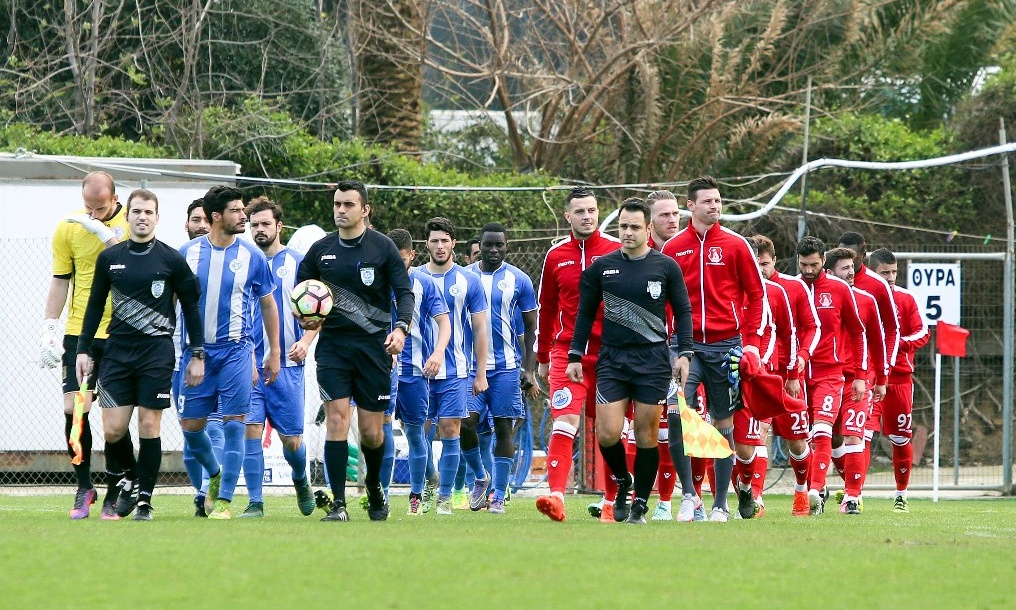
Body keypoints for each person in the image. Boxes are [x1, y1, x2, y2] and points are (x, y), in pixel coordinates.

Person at [74, 189, 204, 521]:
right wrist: (83, 349)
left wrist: (197, 353)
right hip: (117, 352)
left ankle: (145, 500)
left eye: (149, 212)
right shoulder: (110, 258)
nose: (142, 217)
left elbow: (191, 306)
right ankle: (130, 476)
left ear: (157, 218)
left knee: (149, 423)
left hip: (156, 352)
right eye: (136, 212)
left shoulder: (172, 259)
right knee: (114, 429)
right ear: (127, 216)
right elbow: (93, 306)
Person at [567, 197, 693, 524]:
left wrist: (684, 353)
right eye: (623, 226)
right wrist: (575, 354)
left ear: (648, 229)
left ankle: (640, 503)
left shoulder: (665, 267)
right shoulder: (602, 267)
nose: (627, 232)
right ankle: (624, 480)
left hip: (652, 361)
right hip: (613, 359)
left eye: (635, 227)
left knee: (647, 434)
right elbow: (584, 313)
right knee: (607, 433)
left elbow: (683, 311)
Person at [297, 180, 414, 522]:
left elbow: (404, 293)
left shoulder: (383, 248)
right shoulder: (321, 251)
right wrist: (305, 319)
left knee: (371, 432)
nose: (340, 210)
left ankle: (375, 485)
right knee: (336, 420)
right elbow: (301, 293)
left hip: (373, 350)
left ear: (365, 210)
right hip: (333, 349)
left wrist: (400, 328)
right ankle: (339, 504)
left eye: (348, 204)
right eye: (336, 204)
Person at [661, 175, 766, 522]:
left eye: (718, 201)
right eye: (707, 201)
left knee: (723, 423)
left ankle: (721, 503)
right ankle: (690, 495)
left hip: (726, 347)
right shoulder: (674, 248)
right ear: (690, 206)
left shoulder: (737, 245)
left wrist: (750, 346)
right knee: (679, 416)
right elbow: (662, 302)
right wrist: (668, 345)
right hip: (685, 347)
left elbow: (756, 296)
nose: (715, 206)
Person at [178, 185, 282, 520]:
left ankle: (223, 501)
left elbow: (268, 304)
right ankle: (216, 472)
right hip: (196, 354)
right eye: (236, 211)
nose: (243, 216)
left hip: (237, 351)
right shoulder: (187, 254)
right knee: (191, 428)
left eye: (243, 210)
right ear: (215, 217)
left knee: (235, 426)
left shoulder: (252, 256)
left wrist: (274, 351)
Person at [40, 171, 128, 519]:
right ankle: (83, 486)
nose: (92, 215)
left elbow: (135, 263)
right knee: (74, 409)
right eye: (88, 208)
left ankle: (113, 489)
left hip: (121, 333)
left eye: (101, 208)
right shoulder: (69, 227)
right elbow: (61, 281)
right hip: (81, 335)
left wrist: (107, 236)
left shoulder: (129, 220)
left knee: (115, 420)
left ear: (115, 198)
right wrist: (49, 326)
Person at [533, 187, 621, 523]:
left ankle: (613, 501)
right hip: (566, 355)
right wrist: (542, 358)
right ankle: (556, 496)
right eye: (580, 211)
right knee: (565, 419)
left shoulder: (616, 251)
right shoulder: (556, 256)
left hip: (611, 356)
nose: (587, 216)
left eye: (592, 210)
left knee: (611, 430)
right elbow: (547, 310)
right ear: (567, 216)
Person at [237, 196, 318, 518]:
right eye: (253, 225)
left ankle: (300, 479)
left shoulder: (298, 263)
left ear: (279, 226)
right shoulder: (243, 262)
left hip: (288, 365)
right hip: (249, 364)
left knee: (292, 441)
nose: (259, 230)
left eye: (265, 224)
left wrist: (308, 340)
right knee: (250, 430)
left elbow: (318, 310)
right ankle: (255, 501)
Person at [465, 223, 538, 513]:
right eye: (488, 245)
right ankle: (481, 477)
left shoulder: (519, 280)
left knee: (504, 428)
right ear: (478, 247)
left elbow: (532, 328)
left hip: (507, 368)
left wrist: (529, 369)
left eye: (500, 245)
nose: (494, 250)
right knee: (465, 422)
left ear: (507, 247)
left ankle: (498, 494)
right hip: (469, 367)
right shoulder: (465, 277)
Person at [419, 216, 490, 514]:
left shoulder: (468, 280)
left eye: (444, 240)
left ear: (453, 243)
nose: (439, 246)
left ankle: (444, 498)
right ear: (426, 244)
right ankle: (428, 482)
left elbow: (480, 329)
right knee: (419, 432)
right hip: (418, 370)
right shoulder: (413, 277)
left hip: (456, 370)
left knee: (450, 429)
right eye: (434, 240)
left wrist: (481, 371)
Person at [796, 237, 867, 515]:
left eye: (814, 264)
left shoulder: (838, 289)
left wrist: (861, 375)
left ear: (823, 260)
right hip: (797, 376)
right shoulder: (793, 287)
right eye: (804, 265)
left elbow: (858, 332)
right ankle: (822, 489)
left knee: (825, 431)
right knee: (804, 436)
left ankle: (816, 490)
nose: (809, 270)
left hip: (830, 373)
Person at [748, 235, 818, 516]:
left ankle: (802, 490)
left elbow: (811, 328)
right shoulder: (744, 290)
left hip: (789, 375)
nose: (760, 269)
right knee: (758, 433)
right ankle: (756, 498)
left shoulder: (791, 288)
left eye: (764, 264)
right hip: (758, 375)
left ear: (774, 261)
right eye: (755, 264)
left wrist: (799, 362)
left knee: (797, 441)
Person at [386, 229, 451, 515]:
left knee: (415, 434)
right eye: (392, 259)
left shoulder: (424, 283)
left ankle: (415, 494)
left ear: (412, 255)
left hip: (414, 372)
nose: (397, 265)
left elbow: (444, 323)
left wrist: (438, 352)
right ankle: (382, 493)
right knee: (381, 430)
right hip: (380, 370)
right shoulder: (374, 280)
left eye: (402, 259)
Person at [825, 247, 887, 514]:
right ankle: (825, 488)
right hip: (826, 377)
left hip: (858, 381)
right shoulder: (818, 297)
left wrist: (880, 378)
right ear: (829, 272)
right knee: (828, 437)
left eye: (852, 267)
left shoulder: (867, 300)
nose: (851, 273)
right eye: (844, 268)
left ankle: (852, 496)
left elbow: (878, 340)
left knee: (854, 435)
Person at [173, 200, 224, 517]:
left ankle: (207, 491)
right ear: (187, 225)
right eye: (196, 219)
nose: (203, 225)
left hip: (221, 359)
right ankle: (201, 490)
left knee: (215, 428)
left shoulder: (231, 256)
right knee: (191, 434)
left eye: (208, 219)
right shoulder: (180, 256)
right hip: (182, 360)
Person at [869, 248, 929, 512]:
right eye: (885, 272)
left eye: (894, 272)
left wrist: (898, 344)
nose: (891, 277)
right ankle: (852, 493)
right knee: (857, 435)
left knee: (900, 437)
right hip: (868, 378)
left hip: (899, 379)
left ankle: (901, 494)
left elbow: (923, 333)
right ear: (872, 272)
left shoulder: (906, 298)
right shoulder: (863, 296)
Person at [838, 232, 900, 368]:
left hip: (865, 370)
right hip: (832, 368)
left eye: (852, 258)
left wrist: (886, 365)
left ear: (864, 255)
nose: (848, 263)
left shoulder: (878, 285)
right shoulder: (828, 281)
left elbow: (892, 329)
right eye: (842, 257)